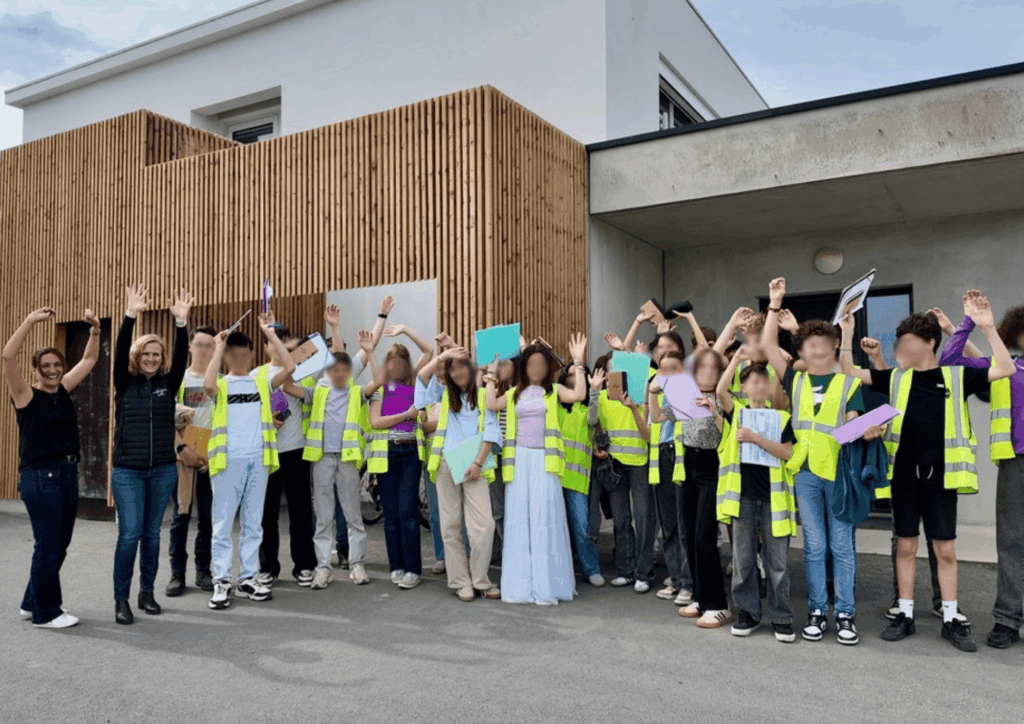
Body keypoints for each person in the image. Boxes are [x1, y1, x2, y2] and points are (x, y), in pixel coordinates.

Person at [839, 290, 1015, 652]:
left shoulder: (956, 376)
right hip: (903, 476)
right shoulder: (896, 379)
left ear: (929, 342)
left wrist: (986, 327)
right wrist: (846, 333)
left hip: (943, 476)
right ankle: (904, 613)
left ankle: (951, 617)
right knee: (905, 545)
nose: (900, 345)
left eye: (907, 340)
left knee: (945, 550)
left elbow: (1006, 368)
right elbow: (849, 372)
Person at [761, 278, 866, 645]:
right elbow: (767, 344)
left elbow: (858, 421)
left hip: (839, 473)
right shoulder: (795, 380)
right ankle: (818, 610)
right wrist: (774, 304)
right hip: (805, 473)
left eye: (823, 343)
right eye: (809, 344)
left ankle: (847, 614)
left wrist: (865, 426)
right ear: (802, 350)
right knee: (815, 546)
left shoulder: (849, 383)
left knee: (842, 546)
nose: (817, 349)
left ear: (835, 344)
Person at [6, 307, 101, 629]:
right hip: (39, 478)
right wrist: (29, 322)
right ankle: (46, 613)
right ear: (35, 370)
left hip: (66, 474)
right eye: (45, 366)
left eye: (56, 365)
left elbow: (88, 361)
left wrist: (96, 331)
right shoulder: (23, 395)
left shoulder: (62, 390)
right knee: (47, 544)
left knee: (58, 544)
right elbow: (7, 357)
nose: (52, 370)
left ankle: (31, 602)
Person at [938, 302, 1024, 649]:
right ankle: (1008, 618)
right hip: (1016, 462)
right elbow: (951, 364)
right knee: (1013, 543)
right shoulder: (1008, 368)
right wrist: (965, 324)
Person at [110, 284, 192, 625]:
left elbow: (182, 353)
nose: (151, 359)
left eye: (156, 355)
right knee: (130, 534)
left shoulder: (167, 384)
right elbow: (117, 352)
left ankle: (147, 593)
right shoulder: (123, 382)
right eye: (146, 354)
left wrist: (181, 323)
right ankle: (121, 599)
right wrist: (130, 315)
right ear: (136, 356)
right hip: (127, 471)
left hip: (161, 469)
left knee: (152, 534)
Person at [486, 336, 588, 605]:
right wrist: (490, 374)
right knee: (520, 519)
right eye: (531, 363)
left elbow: (579, 394)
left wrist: (578, 362)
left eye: (541, 363)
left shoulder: (554, 391)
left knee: (545, 519)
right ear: (524, 367)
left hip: (545, 462)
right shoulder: (514, 393)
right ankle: (521, 584)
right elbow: (489, 404)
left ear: (547, 367)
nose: (536, 368)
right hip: (519, 462)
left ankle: (547, 584)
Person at [204, 316, 294, 610]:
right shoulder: (220, 383)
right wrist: (218, 346)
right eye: (233, 353)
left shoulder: (262, 380)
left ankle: (248, 577)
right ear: (227, 355)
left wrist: (270, 333)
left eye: (244, 353)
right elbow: (207, 385)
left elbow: (290, 367)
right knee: (223, 526)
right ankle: (221, 581)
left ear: (253, 354)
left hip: (259, 462)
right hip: (227, 463)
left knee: (253, 524)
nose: (239, 358)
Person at [716, 350, 797, 641]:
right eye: (753, 382)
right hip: (743, 496)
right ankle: (747, 613)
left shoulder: (783, 417)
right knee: (743, 558)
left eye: (765, 381)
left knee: (777, 562)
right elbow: (719, 390)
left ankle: (781, 616)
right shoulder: (737, 413)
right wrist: (737, 357)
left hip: (774, 497)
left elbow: (787, 453)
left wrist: (755, 438)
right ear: (745, 386)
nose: (760, 386)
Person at [285, 336, 373, 589]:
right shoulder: (317, 392)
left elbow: (378, 381)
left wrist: (367, 349)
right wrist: (304, 358)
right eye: (333, 368)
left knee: (353, 516)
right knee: (323, 517)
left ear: (349, 372)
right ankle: (323, 568)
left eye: (344, 369)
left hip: (347, 460)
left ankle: (357, 564)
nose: (339, 373)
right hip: (322, 459)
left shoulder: (356, 392)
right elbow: (287, 386)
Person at [422, 345, 501, 601]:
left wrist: (478, 463)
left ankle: (480, 579)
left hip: (474, 466)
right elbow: (422, 378)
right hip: (446, 464)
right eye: (451, 369)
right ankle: (460, 581)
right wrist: (442, 357)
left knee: (484, 525)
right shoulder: (443, 394)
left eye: (460, 366)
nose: (457, 372)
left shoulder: (482, 394)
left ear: (470, 367)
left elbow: (491, 429)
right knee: (450, 525)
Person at [254, 313, 322, 589]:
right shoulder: (255, 374)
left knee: (301, 511)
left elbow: (334, 356)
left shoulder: (304, 373)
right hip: (267, 452)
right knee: (266, 513)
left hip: (296, 450)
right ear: (267, 345)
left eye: (286, 342)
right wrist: (265, 420)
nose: (281, 346)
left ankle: (305, 566)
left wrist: (332, 329)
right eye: (274, 341)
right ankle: (267, 567)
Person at [367, 324, 433, 590]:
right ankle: (396, 566)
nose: (395, 365)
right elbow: (376, 422)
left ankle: (412, 570)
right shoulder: (380, 388)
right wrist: (407, 415)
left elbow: (429, 350)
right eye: (391, 360)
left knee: (407, 511)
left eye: (400, 360)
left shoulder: (415, 381)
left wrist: (406, 330)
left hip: (409, 453)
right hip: (387, 453)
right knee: (391, 513)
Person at [165, 324, 218, 597]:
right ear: (190, 346)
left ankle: (203, 570)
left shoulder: (222, 380)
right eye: (200, 344)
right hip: (183, 456)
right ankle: (177, 574)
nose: (205, 349)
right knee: (180, 516)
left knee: (208, 518)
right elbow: (165, 417)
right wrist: (181, 448)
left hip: (212, 457)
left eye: (211, 345)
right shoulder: (179, 380)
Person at [645, 348, 691, 602]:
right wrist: (653, 391)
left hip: (681, 456)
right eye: (664, 369)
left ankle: (687, 583)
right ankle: (676, 580)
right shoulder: (661, 393)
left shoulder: (687, 392)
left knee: (684, 525)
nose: (668, 374)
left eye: (674, 369)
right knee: (670, 525)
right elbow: (654, 417)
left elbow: (663, 416)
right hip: (662, 456)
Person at [556, 361, 604, 588]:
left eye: (580, 375)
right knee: (555, 528)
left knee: (582, 528)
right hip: (554, 477)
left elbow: (594, 417)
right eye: (571, 374)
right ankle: (558, 569)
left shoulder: (587, 411)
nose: (575, 378)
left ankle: (590, 569)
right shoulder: (555, 407)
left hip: (576, 480)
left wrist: (593, 390)